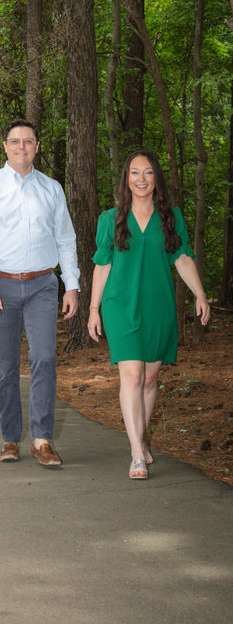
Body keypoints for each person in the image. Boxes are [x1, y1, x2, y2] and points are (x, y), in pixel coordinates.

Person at [87, 150, 210, 480]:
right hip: (119, 304)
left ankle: (139, 440)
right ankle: (137, 453)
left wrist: (200, 294)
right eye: (134, 173)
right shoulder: (110, 219)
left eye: (148, 173)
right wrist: (94, 309)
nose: (141, 179)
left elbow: (182, 258)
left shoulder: (171, 217)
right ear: (126, 179)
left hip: (158, 305)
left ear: (156, 178)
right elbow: (102, 264)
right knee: (131, 375)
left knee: (150, 378)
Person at [0, 120, 79, 467]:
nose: (21, 147)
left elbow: (65, 239)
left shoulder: (52, 189)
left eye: (28, 141)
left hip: (43, 284)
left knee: (44, 359)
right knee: (6, 367)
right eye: (15, 141)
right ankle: (10, 439)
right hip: (1, 286)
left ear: (37, 146)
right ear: (5, 146)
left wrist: (71, 285)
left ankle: (42, 440)